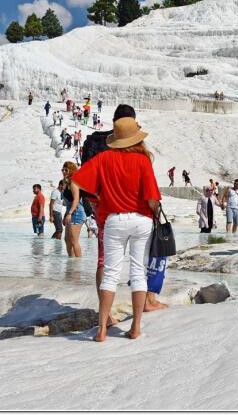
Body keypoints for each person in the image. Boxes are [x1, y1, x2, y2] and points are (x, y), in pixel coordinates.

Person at [71, 117, 161, 342]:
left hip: (114, 220)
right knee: (138, 272)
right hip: (141, 220)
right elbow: (152, 198)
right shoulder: (143, 161)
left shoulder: (103, 158)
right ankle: (136, 328)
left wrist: (99, 197)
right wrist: (156, 214)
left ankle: (102, 328)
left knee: (110, 273)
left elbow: (77, 180)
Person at [61, 162, 85, 257]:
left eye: (66, 170)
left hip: (77, 212)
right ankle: (71, 264)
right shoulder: (66, 182)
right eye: (63, 170)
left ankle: (78, 265)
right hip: (70, 211)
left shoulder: (73, 182)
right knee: (67, 239)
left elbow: (76, 200)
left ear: (71, 171)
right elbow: (68, 203)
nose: (64, 172)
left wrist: (70, 213)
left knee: (74, 240)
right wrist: (66, 215)